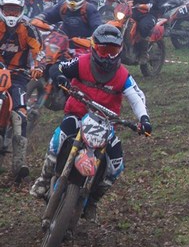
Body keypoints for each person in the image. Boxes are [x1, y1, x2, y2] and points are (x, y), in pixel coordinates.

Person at [30, 24, 152, 221]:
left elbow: (136, 98)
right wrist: (60, 77)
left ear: (120, 50)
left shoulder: (123, 75)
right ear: (94, 48)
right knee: (59, 138)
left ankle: (93, 200)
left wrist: (144, 119)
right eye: (104, 50)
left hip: (105, 123)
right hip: (78, 114)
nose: (108, 56)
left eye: (113, 51)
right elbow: (57, 67)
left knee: (117, 165)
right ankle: (44, 179)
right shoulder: (82, 63)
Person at [0, 0, 42, 182]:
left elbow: (39, 51)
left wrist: (38, 67)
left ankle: (19, 163)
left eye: (14, 10)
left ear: (21, 11)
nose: (11, 14)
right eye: (8, 10)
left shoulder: (28, 29)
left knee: (20, 114)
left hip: (18, 76)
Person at [108, 0, 162, 66]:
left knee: (143, 26)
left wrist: (149, 4)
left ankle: (143, 53)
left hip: (150, 12)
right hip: (135, 9)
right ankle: (125, 45)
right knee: (124, 21)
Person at [36, 0, 103, 39]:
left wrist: (90, 40)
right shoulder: (63, 6)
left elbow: (97, 28)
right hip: (63, 44)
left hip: (85, 46)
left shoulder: (89, 9)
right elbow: (49, 15)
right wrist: (40, 18)